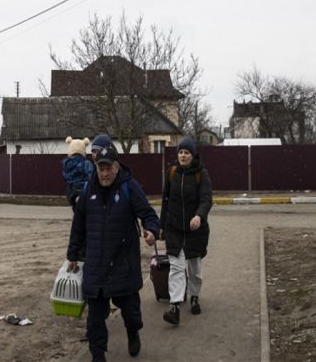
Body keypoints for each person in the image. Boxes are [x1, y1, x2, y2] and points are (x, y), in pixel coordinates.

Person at [67, 145, 159, 362]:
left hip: (122, 263)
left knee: (132, 314)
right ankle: (98, 356)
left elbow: (148, 214)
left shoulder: (129, 187)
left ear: (117, 168)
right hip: (96, 265)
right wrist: (72, 254)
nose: (105, 173)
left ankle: (132, 332)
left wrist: (152, 231)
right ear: (96, 169)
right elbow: (78, 225)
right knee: (95, 321)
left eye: (109, 168)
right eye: (101, 169)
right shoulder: (89, 190)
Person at [159, 137, 213, 326]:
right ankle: (174, 306)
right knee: (176, 267)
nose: (182, 155)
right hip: (174, 227)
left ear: (193, 155)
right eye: (181, 152)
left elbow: (206, 199)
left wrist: (199, 216)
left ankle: (194, 296)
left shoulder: (201, 174)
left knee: (194, 268)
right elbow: (165, 200)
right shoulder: (172, 172)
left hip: (194, 229)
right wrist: (161, 225)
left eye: (186, 152)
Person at [62, 136, 94, 208]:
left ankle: (75, 201)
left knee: (76, 209)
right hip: (84, 189)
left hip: (71, 190)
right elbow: (90, 175)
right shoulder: (86, 163)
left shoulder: (66, 163)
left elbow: (65, 176)